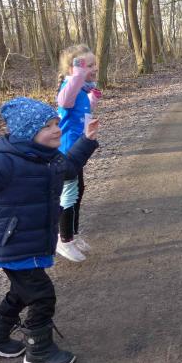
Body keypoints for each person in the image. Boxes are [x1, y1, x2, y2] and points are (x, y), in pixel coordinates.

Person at [0, 98, 99, 363]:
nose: (56, 129)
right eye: (47, 126)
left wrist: (86, 140)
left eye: (56, 123)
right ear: (27, 133)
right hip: (14, 243)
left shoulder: (50, 158)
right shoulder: (6, 163)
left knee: (21, 292)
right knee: (42, 295)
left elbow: (70, 169)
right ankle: (39, 350)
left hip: (35, 241)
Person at [55, 44, 101, 262]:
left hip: (78, 151)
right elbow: (64, 101)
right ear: (74, 70)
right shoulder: (68, 87)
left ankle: (72, 235)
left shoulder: (81, 91)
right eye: (88, 65)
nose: (94, 68)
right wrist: (78, 75)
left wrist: (93, 99)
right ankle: (63, 240)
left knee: (78, 191)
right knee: (69, 195)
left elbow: (80, 112)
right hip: (66, 152)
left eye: (93, 64)